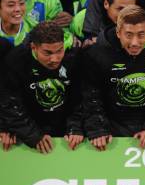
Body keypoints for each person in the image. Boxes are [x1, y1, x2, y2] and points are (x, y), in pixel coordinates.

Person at [81, 5, 145, 151]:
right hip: (111, 121)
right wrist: (98, 129)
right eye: (129, 34)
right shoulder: (96, 54)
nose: (134, 42)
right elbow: (91, 94)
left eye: (141, 34)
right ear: (118, 32)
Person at [0, 22, 83, 153]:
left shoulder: (74, 56)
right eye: (47, 53)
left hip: (65, 127)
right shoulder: (15, 61)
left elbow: (82, 97)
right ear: (34, 47)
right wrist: (32, 134)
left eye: (59, 51)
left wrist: (75, 127)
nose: (55, 59)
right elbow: (10, 103)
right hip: (30, 126)